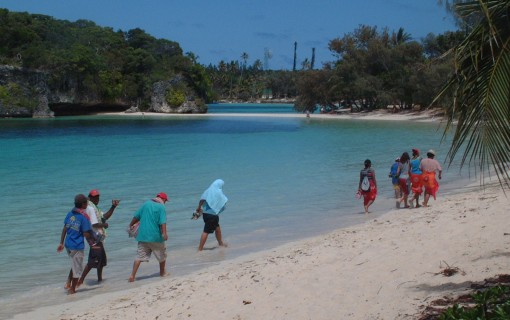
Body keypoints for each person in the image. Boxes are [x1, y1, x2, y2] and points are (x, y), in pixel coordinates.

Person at [78, 189, 120, 285]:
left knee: (101, 259)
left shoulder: (94, 208)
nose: (97, 198)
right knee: (93, 260)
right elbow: (94, 224)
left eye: (98, 197)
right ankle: (80, 281)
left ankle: (99, 280)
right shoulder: (90, 208)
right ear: (89, 197)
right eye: (94, 197)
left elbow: (104, 217)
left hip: (97, 237)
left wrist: (113, 207)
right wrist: (104, 225)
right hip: (94, 238)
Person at [57, 194, 94, 294]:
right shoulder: (83, 218)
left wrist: (61, 243)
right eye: (86, 202)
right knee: (78, 269)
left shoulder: (70, 214)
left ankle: (68, 283)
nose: (87, 203)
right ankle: (72, 290)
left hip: (68, 245)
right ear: (83, 204)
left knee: (75, 264)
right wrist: (94, 244)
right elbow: (86, 234)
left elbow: (65, 228)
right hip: (77, 246)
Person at [128, 192, 169, 282]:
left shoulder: (146, 203)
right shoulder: (161, 207)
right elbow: (163, 221)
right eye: (166, 201)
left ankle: (132, 276)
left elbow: (136, 216)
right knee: (162, 255)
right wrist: (164, 233)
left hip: (142, 235)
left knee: (139, 256)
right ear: (164, 199)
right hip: (155, 236)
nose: (165, 203)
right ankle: (162, 273)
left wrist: (130, 225)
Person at [195, 179, 229, 251]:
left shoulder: (208, 190)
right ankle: (200, 249)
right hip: (213, 215)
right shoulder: (219, 193)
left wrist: (198, 207)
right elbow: (224, 201)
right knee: (206, 231)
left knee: (217, 228)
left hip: (205, 214)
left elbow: (202, 199)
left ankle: (220, 243)